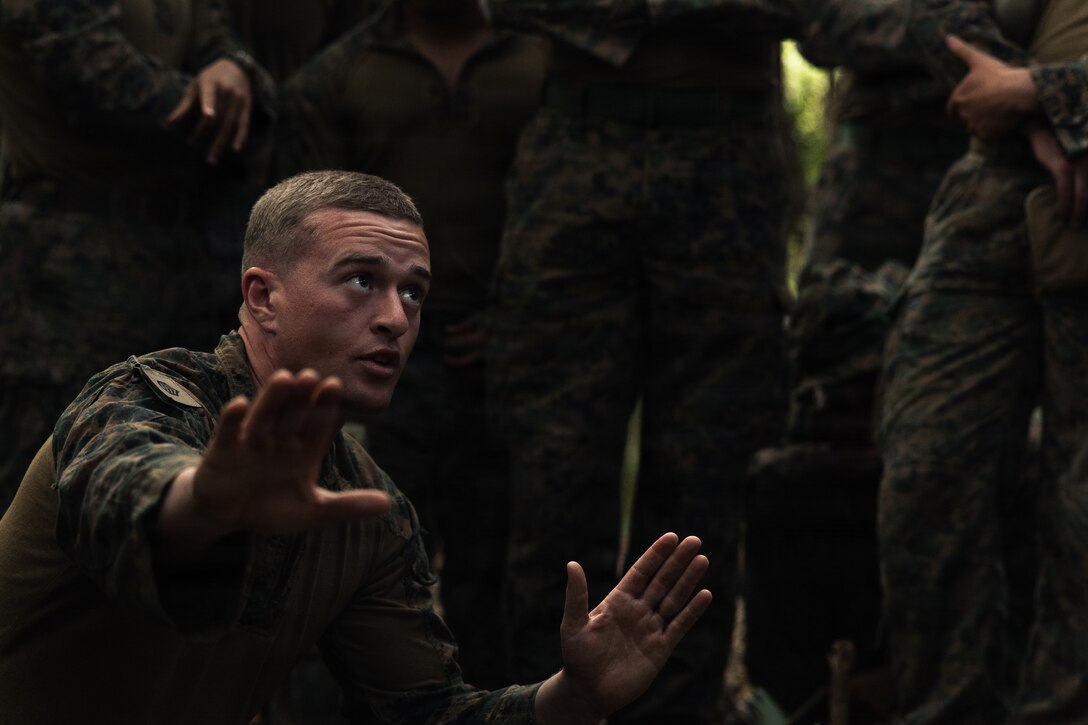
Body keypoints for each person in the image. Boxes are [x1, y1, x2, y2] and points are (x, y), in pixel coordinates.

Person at [0, 170, 713, 724]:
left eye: (414, 293)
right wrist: (204, 502)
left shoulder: (366, 506)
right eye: (363, 281)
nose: (396, 318)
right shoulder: (140, 395)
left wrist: (573, 697)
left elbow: (425, 711)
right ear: (263, 297)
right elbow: (125, 485)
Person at [278, 0, 547, 691]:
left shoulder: (543, 63)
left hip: (515, 361)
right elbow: (300, 241)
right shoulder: (336, 77)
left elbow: (573, 218)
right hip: (370, 370)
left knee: (500, 588)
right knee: (351, 560)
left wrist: (518, 318)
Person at [877, 1, 1088, 722]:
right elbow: (936, 13)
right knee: (926, 472)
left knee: (1081, 510)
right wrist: (1038, 118)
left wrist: (1044, 95)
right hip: (997, 187)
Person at [0, 0, 274, 514]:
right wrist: (234, 106)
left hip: (182, 261)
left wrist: (233, 66)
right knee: (50, 477)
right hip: (65, 277)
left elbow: (229, 50)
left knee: (167, 467)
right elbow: (103, 84)